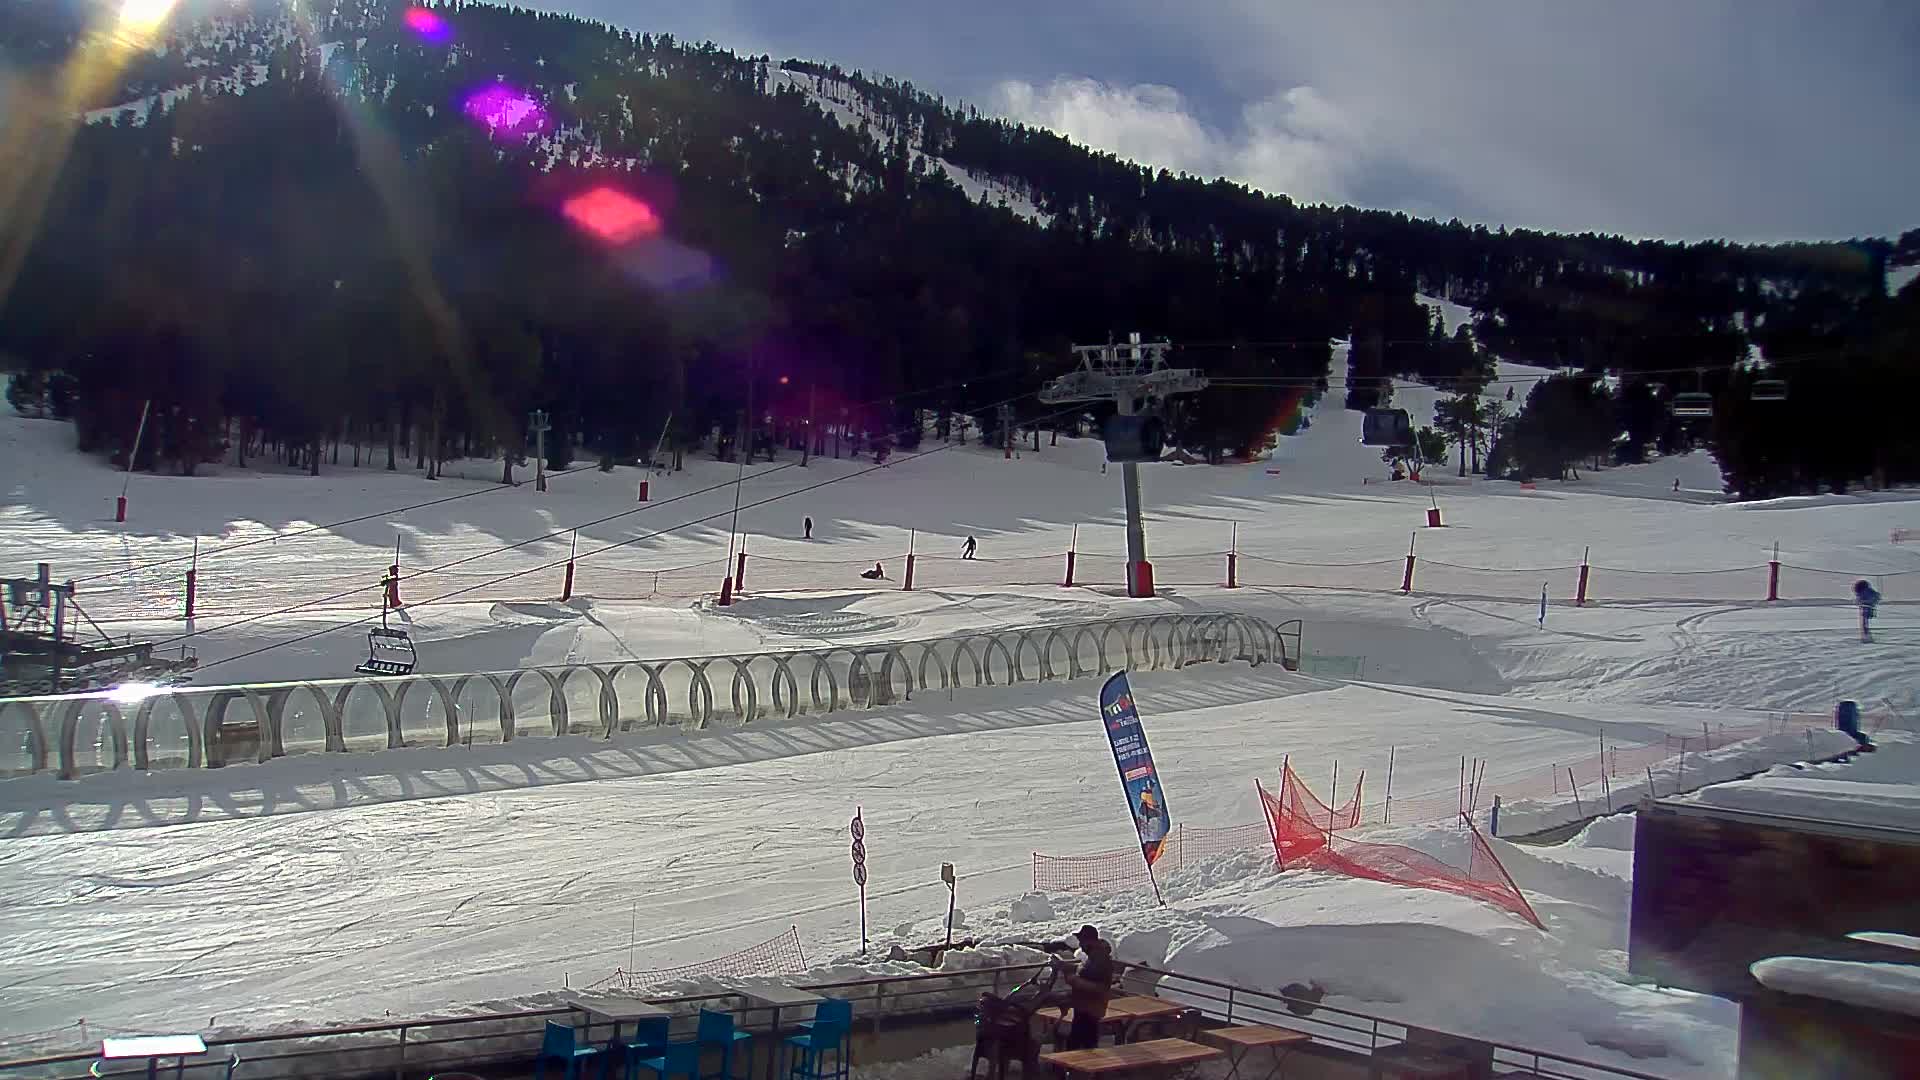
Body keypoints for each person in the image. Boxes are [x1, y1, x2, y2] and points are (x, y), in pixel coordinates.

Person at [1063, 925, 1115, 1050]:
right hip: (1084, 1006)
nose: (1080, 945)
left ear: (1089, 941)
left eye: (1082, 941)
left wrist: (1074, 980)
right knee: (1080, 1043)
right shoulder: (1093, 957)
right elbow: (1086, 973)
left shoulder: (1100, 960)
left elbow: (1100, 987)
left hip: (1091, 1008)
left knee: (1082, 1044)